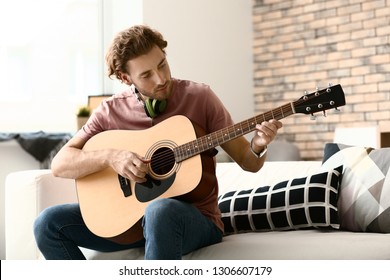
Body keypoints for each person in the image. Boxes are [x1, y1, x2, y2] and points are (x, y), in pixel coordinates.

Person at [33, 25, 282, 260]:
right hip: (130, 225)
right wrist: (111, 157)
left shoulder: (200, 97)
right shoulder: (110, 112)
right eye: (146, 75)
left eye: (162, 64)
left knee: (159, 211)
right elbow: (61, 164)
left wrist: (259, 144)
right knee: (48, 223)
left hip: (194, 220)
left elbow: (249, 163)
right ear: (125, 78)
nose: (161, 78)